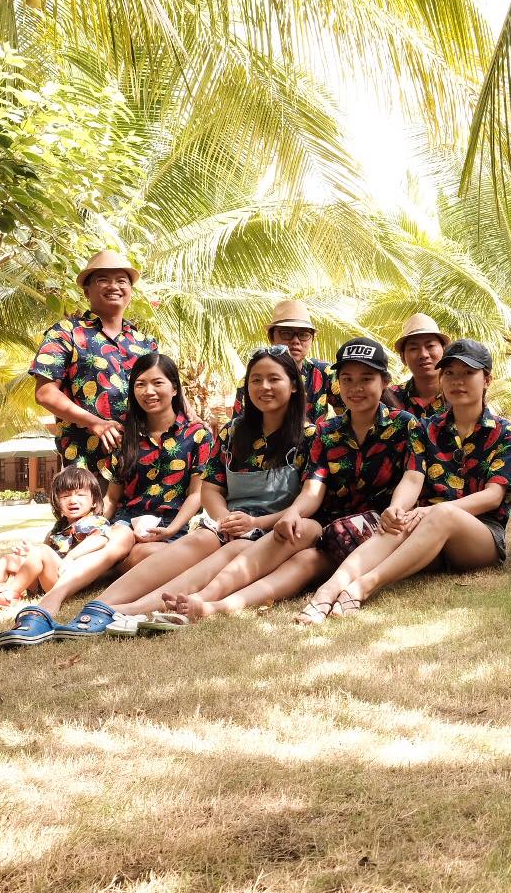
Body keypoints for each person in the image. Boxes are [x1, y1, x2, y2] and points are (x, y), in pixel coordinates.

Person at [39, 345, 314, 636]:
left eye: (274, 379)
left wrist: (254, 523)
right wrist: (224, 519)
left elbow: (311, 496)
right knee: (198, 540)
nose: (264, 387)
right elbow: (211, 489)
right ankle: (100, 605)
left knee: (230, 548)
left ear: (294, 385)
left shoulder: (309, 436)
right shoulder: (232, 432)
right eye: (255, 380)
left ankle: (134, 608)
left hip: (270, 526)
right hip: (226, 523)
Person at [166, 337, 430, 625]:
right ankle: (206, 600)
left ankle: (217, 607)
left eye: (366, 379)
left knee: (307, 555)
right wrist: (293, 513)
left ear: (385, 382)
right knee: (296, 537)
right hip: (330, 529)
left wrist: (396, 507)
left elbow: (413, 475)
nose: (356, 388)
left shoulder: (405, 424)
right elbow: (314, 488)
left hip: (381, 525)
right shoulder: (326, 432)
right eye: (347, 379)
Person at [328, 339, 511, 609]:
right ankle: (327, 592)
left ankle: (365, 585)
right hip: (427, 527)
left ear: (486, 379)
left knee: (442, 514)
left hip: (481, 536)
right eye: (449, 373)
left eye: (468, 373)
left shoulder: (505, 433)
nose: (457, 381)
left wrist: (432, 511)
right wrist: (397, 508)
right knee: (397, 523)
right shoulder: (426, 428)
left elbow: (492, 497)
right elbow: (413, 477)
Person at [30, 250, 157, 486]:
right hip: (86, 466)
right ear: (87, 291)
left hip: (143, 462)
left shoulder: (145, 343)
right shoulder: (66, 332)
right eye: (103, 280)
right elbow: (45, 393)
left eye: (121, 280)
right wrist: (95, 422)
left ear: (130, 290)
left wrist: (191, 417)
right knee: (90, 511)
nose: (114, 286)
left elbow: (166, 393)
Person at [101, 352, 217, 567]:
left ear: (174, 388)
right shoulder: (125, 435)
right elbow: (111, 497)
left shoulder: (198, 435)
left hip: (173, 525)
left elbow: (196, 494)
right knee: (115, 544)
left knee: (145, 554)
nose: (148, 391)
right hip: (125, 524)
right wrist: (96, 525)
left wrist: (171, 530)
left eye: (157, 383)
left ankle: (113, 568)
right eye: (140, 384)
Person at [0, 466, 106, 617]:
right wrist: (30, 554)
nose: (72, 500)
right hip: (47, 579)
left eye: (80, 495)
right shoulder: (60, 527)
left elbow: (100, 538)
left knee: (41, 550)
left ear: (94, 501)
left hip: (67, 582)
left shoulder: (94, 521)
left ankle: (10, 594)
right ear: (57, 502)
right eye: (65, 496)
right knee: (9, 560)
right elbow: (46, 555)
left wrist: (70, 557)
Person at [233, 299, 335, 423]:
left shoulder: (325, 372)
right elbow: (240, 426)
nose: (295, 341)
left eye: (303, 334)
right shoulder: (252, 382)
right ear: (271, 337)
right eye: (286, 333)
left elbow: (351, 415)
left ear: (312, 339)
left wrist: (323, 432)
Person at [384, 313, 450, 415]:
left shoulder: (461, 393)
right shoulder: (388, 397)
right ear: (403, 357)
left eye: (430, 346)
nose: (423, 354)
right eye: (414, 348)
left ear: (444, 351)